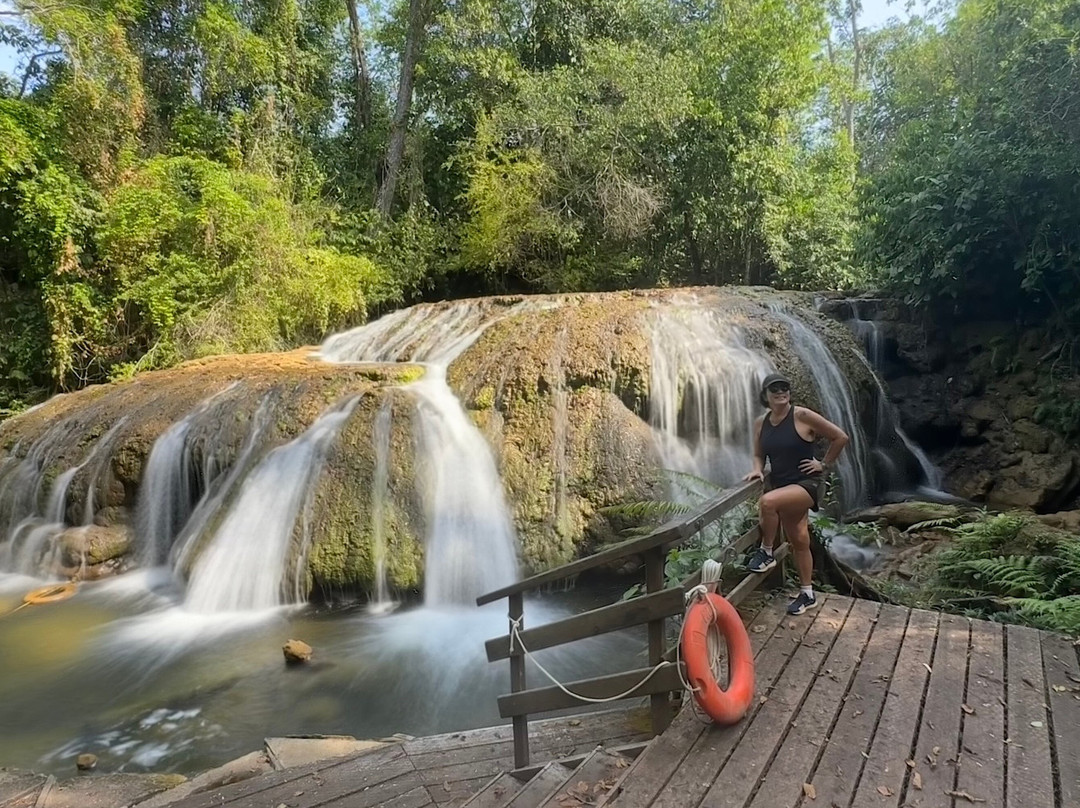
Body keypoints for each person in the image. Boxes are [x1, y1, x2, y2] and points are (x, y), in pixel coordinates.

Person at [742, 373, 849, 615]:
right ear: (765, 395)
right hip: (782, 483)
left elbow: (840, 437)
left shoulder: (802, 415)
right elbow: (759, 453)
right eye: (775, 389)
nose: (781, 392)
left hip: (807, 484)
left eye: (785, 388)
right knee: (799, 540)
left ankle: (766, 552)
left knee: (768, 503)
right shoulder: (762, 422)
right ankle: (807, 593)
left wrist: (824, 464)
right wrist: (757, 470)